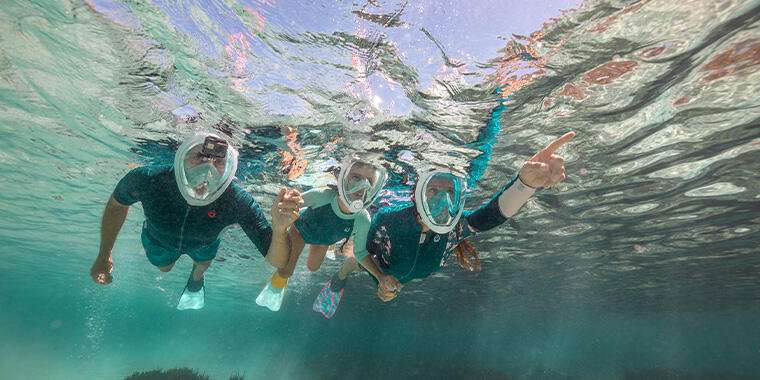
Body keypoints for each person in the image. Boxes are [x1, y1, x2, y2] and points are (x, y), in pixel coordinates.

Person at [332, 132, 575, 308]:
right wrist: (380, 277)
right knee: (353, 259)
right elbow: (362, 248)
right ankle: (339, 279)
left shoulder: (453, 231)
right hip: (375, 262)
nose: (442, 202)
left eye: (450, 193)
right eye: (433, 191)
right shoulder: (388, 218)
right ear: (417, 195)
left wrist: (526, 183)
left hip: (403, 274)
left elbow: (491, 216)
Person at [89, 132, 303, 310]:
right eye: (199, 157)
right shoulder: (150, 179)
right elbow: (117, 204)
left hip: (204, 244)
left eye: (218, 162)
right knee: (164, 268)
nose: (207, 169)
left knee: (202, 264)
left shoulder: (236, 199)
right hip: (158, 240)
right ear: (181, 157)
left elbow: (277, 261)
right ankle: (196, 272)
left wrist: (279, 228)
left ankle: (196, 279)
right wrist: (104, 253)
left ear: (228, 168)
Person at [256, 156, 388, 312]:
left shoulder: (363, 219)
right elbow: (290, 206)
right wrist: (286, 203)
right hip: (301, 231)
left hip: (324, 240)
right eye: (356, 177)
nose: (362, 186)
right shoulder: (322, 196)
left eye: (369, 182)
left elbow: (359, 252)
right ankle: (277, 285)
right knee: (286, 271)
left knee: (313, 267)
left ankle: (331, 245)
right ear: (343, 178)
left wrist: (380, 277)